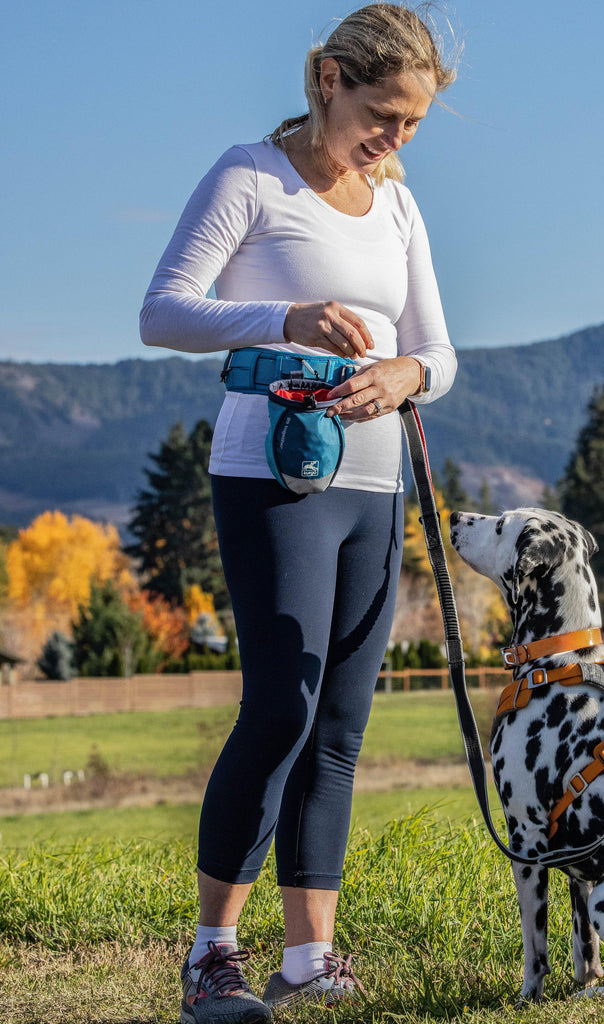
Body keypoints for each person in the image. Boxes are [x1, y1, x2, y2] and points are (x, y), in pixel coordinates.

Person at [139, 5, 458, 1021]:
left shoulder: (398, 206)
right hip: (272, 476)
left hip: (377, 484)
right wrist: (283, 316)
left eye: (411, 123)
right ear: (328, 77)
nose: (395, 138)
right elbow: (164, 311)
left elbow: (438, 355)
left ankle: (308, 958)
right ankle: (210, 957)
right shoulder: (251, 177)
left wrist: (407, 371)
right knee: (279, 707)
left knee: (340, 724)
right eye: (382, 113)